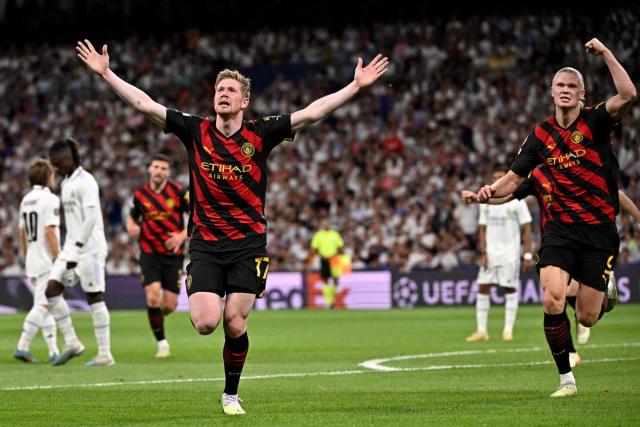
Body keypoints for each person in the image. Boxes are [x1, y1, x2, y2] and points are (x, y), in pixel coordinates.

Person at [76, 38, 388, 414]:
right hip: (206, 244)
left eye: (230, 90)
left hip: (248, 244)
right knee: (206, 323)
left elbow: (310, 114)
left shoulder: (261, 133)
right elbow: (145, 104)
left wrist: (354, 86)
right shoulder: (195, 130)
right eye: (219, 89)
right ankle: (220, 366)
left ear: (244, 102)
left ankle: (230, 394)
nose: (223, 94)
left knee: (235, 324)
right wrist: (107, 73)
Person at [474, 38, 637, 397]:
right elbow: (513, 179)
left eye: (571, 87)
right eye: (560, 86)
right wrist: (489, 191)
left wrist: (607, 54)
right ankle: (566, 379)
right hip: (560, 231)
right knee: (552, 298)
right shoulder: (541, 135)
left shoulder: (595, 121)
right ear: (552, 93)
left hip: (598, 231)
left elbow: (628, 95)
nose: (565, 91)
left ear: (582, 93)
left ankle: (604, 290)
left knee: (587, 317)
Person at [46, 138, 115, 366]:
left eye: (57, 163)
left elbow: (92, 218)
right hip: (71, 247)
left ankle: (105, 354)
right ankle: (73, 343)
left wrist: (76, 248)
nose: (55, 168)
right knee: (52, 289)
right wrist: (69, 248)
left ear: (68, 158)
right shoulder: (66, 184)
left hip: (90, 248)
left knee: (94, 296)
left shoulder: (87, 181)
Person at [126, 153, 189, 358]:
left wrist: (181, 235)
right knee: (153, 296)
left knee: (169, 306)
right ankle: (162, 344)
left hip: (173, 254)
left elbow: (197, 216)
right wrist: (132, 226)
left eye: (163, 168)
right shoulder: (140, 194)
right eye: (156, 167)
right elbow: (132, 217)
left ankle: (157, 319)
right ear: (149, 169)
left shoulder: (179, 192)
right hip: (149, 252)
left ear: (168, 172)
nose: (159, 171)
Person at [465, 170, 533, 343]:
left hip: (510, 254)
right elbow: (482, 229)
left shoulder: (517, 201)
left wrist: (527, 255)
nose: (496, 181)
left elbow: (527, 229)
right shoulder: (486, 203)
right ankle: (482, 331)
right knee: (483, 287)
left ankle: (507, 330)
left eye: (499, 179)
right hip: (491, 254)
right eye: (494, 179)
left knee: (509, 289)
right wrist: (484, 253)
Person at [13, 160, 60, 363]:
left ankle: (53, 351)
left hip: (32, 258)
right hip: (46, 259)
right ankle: (22, 346)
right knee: (43, 305)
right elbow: (50, 230)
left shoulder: (26, 199)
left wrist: (26, 255)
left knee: (45, 305)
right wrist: (58, 257)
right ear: (48, 177)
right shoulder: (50, 199)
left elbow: (21, 231)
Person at [310, 218, 345, 308]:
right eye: (324, 223)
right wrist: (320, 255)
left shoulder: (335, 234)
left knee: (335, 279)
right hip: (324, 259)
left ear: (329, 224)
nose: (326, 225)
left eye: (327, 223)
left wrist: (335, 254)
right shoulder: (318, 235)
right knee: (325, 279)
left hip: (334, 259)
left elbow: (340, 247)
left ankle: (332, 300)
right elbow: (314, 248)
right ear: (322, 225)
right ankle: (329, 301)